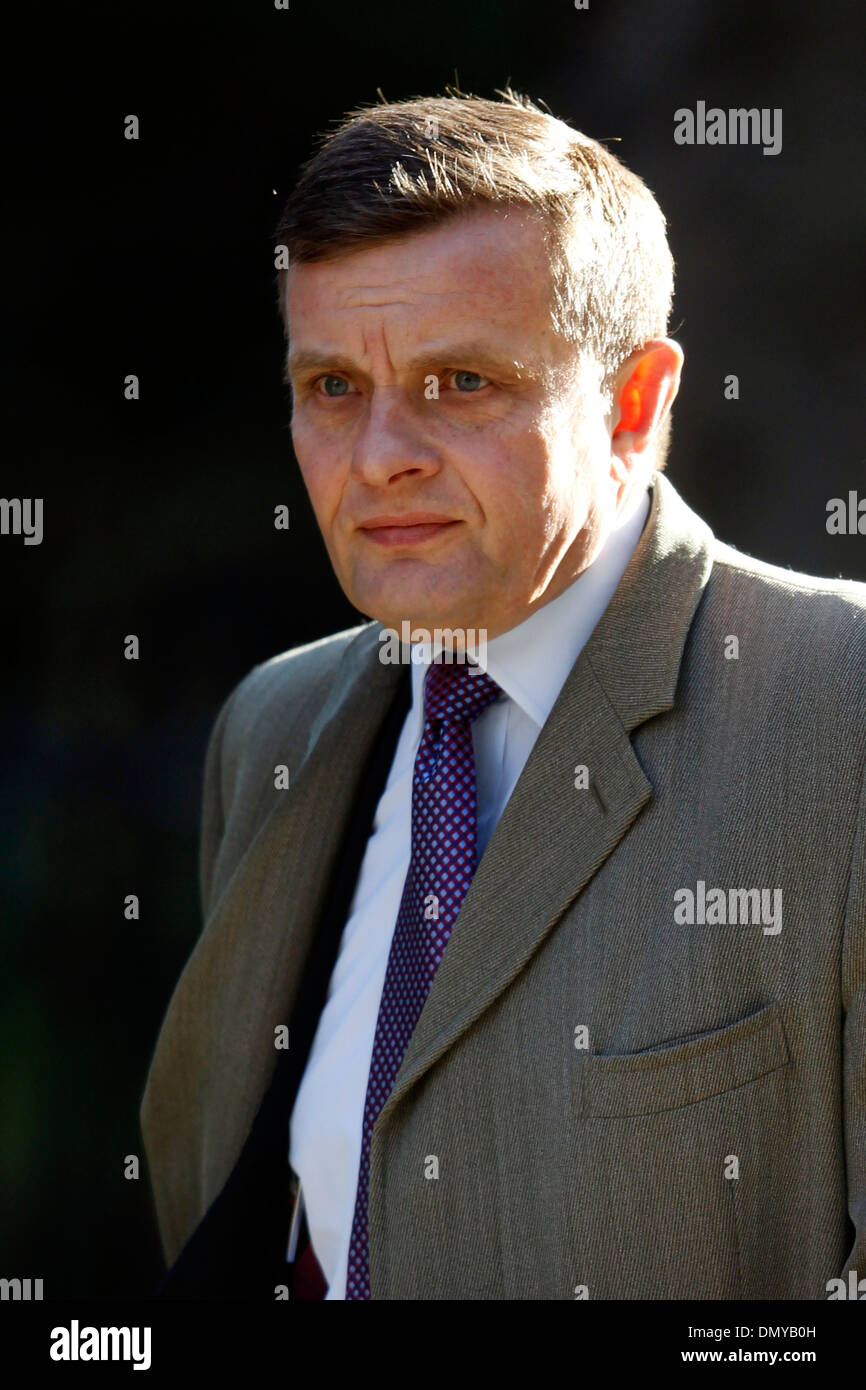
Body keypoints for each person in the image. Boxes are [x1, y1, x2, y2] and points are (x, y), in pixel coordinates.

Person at [140, 88, 865, 1301]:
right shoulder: (274, 727)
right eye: (330, 388)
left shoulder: (836, 704)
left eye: (460, 380)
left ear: (633, 405)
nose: (380, 456)